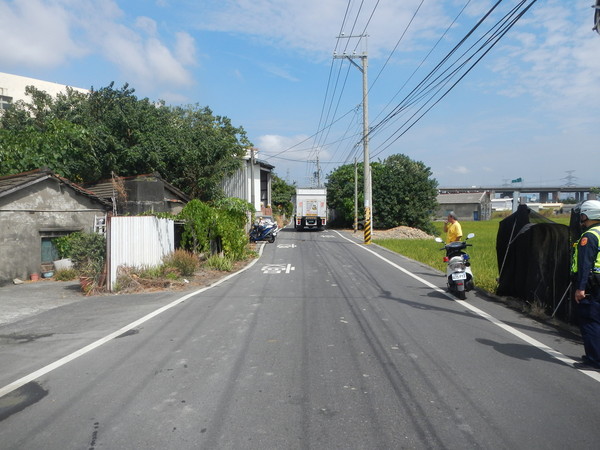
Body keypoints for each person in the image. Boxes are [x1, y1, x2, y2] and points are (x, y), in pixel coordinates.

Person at [572, 199, 600, 369]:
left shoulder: (589, 236)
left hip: (593, 285)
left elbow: (585, 264)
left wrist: (580, 288)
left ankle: (594, 360)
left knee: (590, 321)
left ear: (586, 215)